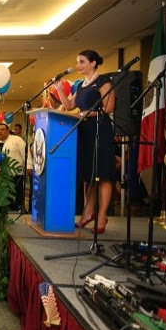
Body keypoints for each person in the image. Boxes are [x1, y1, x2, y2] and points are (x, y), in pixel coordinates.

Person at [54, 49, 114, 233]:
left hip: (99, 130)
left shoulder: (103, 81)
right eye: (77, 62)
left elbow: (110, 107)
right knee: (89, 174)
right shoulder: (81, 86)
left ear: (93, 63)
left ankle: (102, 216)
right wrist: (58, 89)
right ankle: (88, 213)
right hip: (84, 131)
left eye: (81, 62)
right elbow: (69, 105)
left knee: (102, 173)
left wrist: (88, 113)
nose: (78, 65)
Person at [0, 123, 33, 213]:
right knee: (2, 196)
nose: (0, 131)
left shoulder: (17, 140)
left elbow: (26, 153)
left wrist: (29, 166)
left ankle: (16, 211)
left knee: (16, 195)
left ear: (8, 131)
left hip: (15, 174)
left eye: (3, 129)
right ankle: (3, 212)